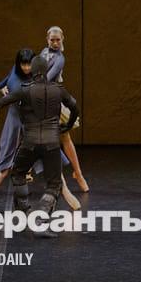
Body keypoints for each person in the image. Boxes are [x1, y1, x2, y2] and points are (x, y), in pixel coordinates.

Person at [0, 56, 78, 239]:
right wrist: (68, 125)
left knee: (18, 174)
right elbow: (74, 108)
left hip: (29, 143)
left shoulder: (25, 90)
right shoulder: (58, 90)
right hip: (51, 144)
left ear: (33, 71)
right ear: (46, 71)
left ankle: (25, 211)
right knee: (54, 185)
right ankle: (40, 221)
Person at [40, 26, 90, 192]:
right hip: (40, 97)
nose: (55, 43)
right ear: (47, 39)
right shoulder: (43, 52)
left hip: (52, 97)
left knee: (65, 137)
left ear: (62, 40)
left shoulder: (60, 58)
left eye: (58, 40)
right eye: (52, 40)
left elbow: (48, 77)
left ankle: (78, 173)